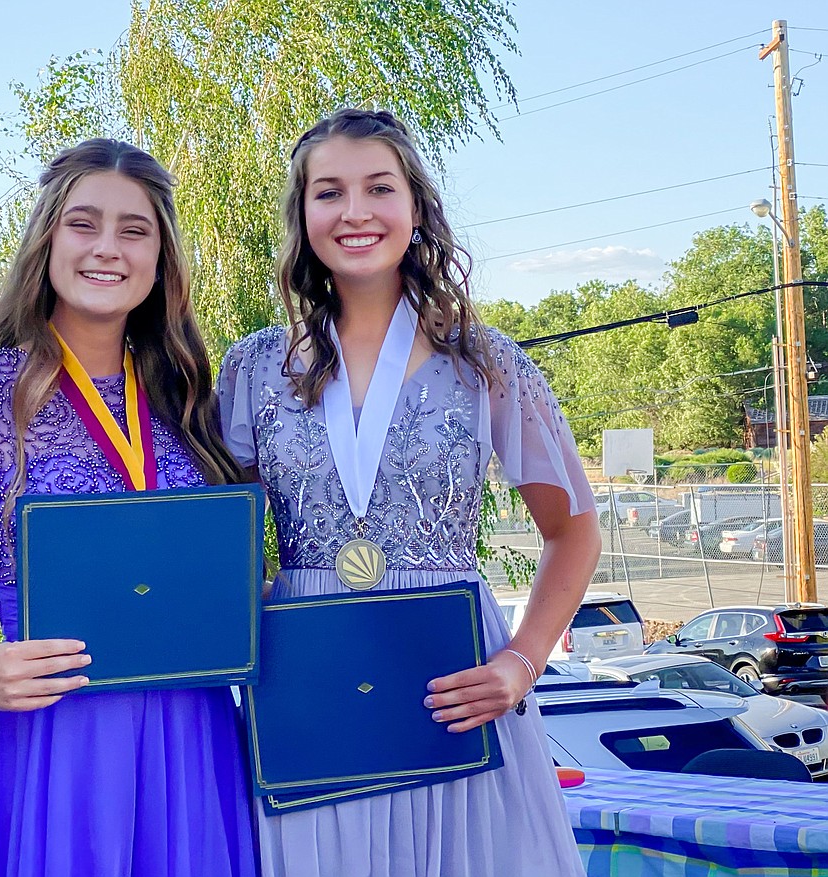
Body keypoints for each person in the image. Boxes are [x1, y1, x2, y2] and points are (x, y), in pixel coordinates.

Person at [0, 139, 257, 877]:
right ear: (47, 237)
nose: (109, 248)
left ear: (161, 257)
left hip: (193, 744)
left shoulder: (193, 401)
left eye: (135, 230)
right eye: (84, 223)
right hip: (46, 745)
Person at [216, 108, 600, 877]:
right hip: (314, 694)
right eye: (329, 192)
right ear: (302, 216)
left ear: (415, 207)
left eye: (378, 188)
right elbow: (214, 542)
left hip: (456, 689)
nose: (355, 212)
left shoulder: (485, 360)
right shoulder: (252, 366)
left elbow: (574, 532)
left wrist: (522, 663)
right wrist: (259, 610)